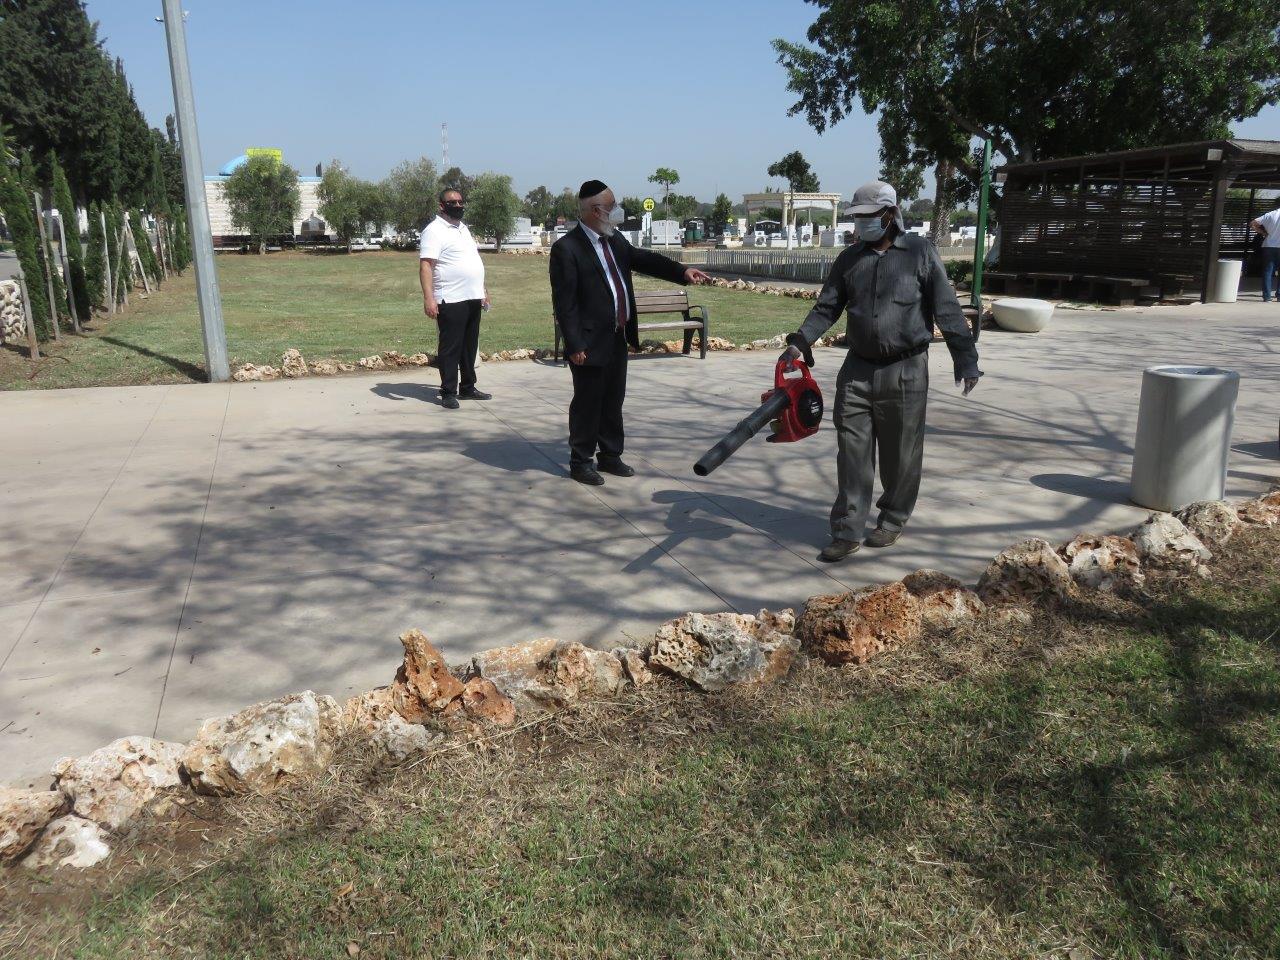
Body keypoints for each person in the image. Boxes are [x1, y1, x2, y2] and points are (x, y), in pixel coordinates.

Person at [781, 180, 982, 562]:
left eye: (868, 217)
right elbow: (826, 308)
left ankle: (891, 518)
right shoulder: (849, 259)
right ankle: (847, 529)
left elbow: (947, 310)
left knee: (901, 454)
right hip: (856, 369)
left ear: (890, 215)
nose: (860, 225)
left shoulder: (921, 253)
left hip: (905, 369)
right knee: (851, 451)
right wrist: (800, 342)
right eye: (856, 218)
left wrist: (965, 359)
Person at [549, 180, 710, 485]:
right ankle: (580, 461)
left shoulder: (613, 238)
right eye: (613, 205)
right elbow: (565, 302)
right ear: (597, 210)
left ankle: (610, 455)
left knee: (613, 400)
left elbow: (643, 258)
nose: (617, 210)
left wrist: (681, 272)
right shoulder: (567, 249)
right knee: (587, 403)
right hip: (588, 340)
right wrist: (574, 344)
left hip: (617, 335)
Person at [419, 188, 490, 409]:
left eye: (460, 202)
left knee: (469, 345)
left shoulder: (463, 229)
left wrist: (483, 289)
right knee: (451, 347)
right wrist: (429, 298)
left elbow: (472, 261)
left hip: (472, 296)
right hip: (450, 298)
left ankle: (468, 387)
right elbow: (426, 266)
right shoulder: (434, 231)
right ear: (442, 205)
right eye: (453, 202)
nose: (458, 206)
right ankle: (448, 391)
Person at [1250, 204, 1280, 303]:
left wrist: (1263, 233)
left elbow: (1252, 223)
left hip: (1268, 245)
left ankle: (1267, 297)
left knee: (1268, 271)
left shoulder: (1270, 215)